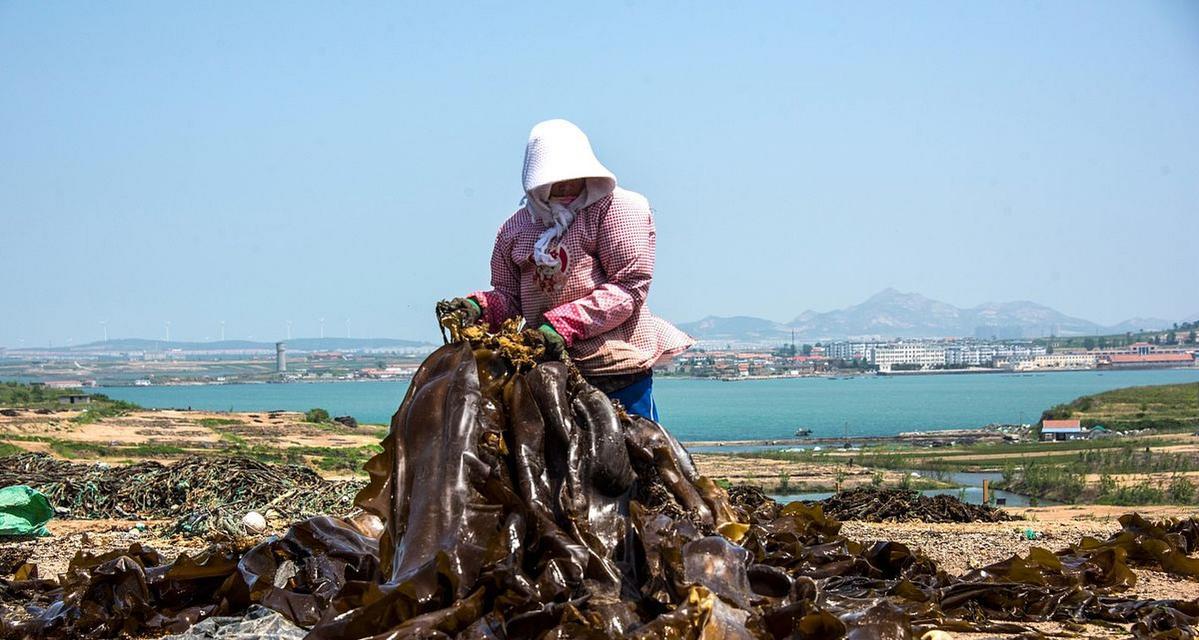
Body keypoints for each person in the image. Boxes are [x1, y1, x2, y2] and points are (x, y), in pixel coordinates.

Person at [438, 119, 693, 421]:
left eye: (573, 176)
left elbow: (628, 287)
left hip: (612, 366)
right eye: (555, 179)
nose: (566, 186)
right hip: (545, 369)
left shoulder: (617, 209)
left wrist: (562, 325)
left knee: (644, 453)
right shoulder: (516, 228)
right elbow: (510, 297)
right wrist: (477, 307)